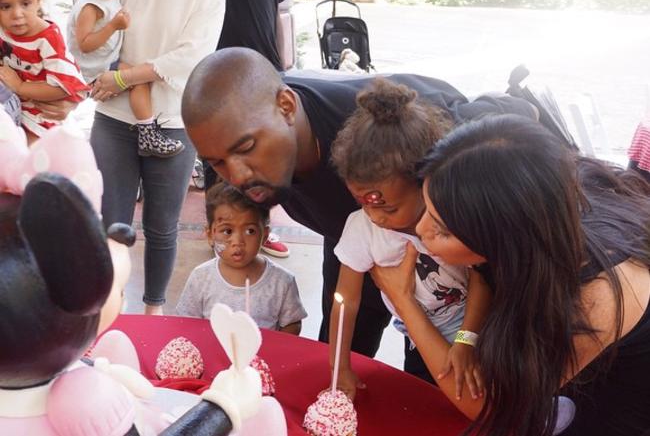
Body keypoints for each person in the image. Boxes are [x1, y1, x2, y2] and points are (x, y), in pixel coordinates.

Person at [180, 47, 538, 357]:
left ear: (286, 106)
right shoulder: (344, 218)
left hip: (464, 289)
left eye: (245, 149)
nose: (237, 175)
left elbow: (500, 127)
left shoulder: (379, 136)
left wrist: (466, 339)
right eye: (217, 162)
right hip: (351, 238)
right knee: (333, 362)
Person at [370, 114, 650, 435]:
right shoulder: (545, 204)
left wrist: (404, 302)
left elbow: (489, 407)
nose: (420, 231)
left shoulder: (585, 302)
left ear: (501, 237)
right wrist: (465, 339)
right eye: (425, 208)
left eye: (443, 229)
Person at [328, 78, 490, 399]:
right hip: (418, 341)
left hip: (481, 330)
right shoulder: (362, 229)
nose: (375, 218)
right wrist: (339, 365)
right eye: (363, 204)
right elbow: (346, 301)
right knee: (423, 403)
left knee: (478, 401)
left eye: (388, 207)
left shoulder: (450, 219)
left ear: (423, 182)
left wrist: (467, 340)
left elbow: (482, 278)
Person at [90, 0, 225, 315]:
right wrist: (103, 70)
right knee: (109, 223)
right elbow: (90, 27)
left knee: (163, 227)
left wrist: (124, 76)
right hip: (114, 118)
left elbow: (192, 56)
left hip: (173, 121)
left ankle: (154, 310)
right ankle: (107, 307)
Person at [194, 0, 290, 258]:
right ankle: (220, 231)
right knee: (221, 153)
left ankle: (259, 229)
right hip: (219, 63)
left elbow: (277, 9)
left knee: (262, 153)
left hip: (265, 68)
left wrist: (283, 63)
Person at [68, 0, 185, 158]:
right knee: (138, 79)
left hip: (102, 63)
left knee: (135, 77)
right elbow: (84, 44)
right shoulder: (90, 6)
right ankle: (148, 133)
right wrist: (113, 26)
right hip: (95, 70)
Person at [176, 182, 307, 333]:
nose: (238, 242)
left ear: (265, 235)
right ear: (211, 235)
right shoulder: (201, 278)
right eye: (227, 231)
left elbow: (292, 323)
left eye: (250, 231)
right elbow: (186, 323)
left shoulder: (282, 282)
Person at [0, 0, 88, 142]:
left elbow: (65, 88)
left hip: (39, 118)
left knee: (27, 162)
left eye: (25, 3)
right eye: (5, 6)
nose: (17, 14)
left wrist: (20, 86)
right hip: (11, 111)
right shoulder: (3, 29)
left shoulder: (48, 39)